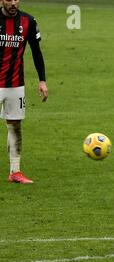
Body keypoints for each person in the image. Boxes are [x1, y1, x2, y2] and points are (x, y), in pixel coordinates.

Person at [0, 0, 48, 184]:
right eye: (9, 0)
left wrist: (42, 80)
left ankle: (15, 171)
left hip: (15, 84)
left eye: (16, 0)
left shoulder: (28, 21)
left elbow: (36, 51)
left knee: (15, 125)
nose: (13, 3)